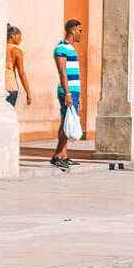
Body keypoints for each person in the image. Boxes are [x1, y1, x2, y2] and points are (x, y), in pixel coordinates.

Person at [52, 19, 83, 171]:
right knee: (66, 122)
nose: (80, 33)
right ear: (72, 30)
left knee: (67, 121)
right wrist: (68, 93)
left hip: (74, 91)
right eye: (79, 30)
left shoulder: (71, 48)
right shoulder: (61, 48)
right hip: (67, 91)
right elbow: (62, 73)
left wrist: (78, 94)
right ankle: (57, 155)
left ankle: (64, 155)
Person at [6, 25, 32, 109]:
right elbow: (21, 73)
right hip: (11, 87)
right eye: (19, 36)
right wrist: (28, 92)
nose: (21, 39)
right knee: (9, 116)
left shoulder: (0, 48)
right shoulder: (17, 50)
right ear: (12, 36)